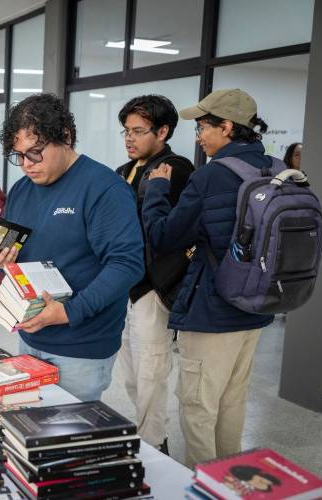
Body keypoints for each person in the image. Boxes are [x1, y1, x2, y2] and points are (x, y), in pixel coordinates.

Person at [142, 88, 274, 468]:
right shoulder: (275, 169)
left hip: (213, 310)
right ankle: (229, 480)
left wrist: (157, 191)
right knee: (232, 400)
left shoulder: (211, 176)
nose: (198, 136)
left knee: (198, 405)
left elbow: (164, 236)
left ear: (228, 126)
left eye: (202, 126)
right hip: (257, 306)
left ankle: (204, 484)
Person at [0, 93, 144, 402]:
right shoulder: (21, 189)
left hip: (81, 344)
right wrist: (5, 260)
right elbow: (20, 250)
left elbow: (127, 264)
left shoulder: (104, 189)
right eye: (18, 155)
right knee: (31, 426)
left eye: (35, 152)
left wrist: (70, 312)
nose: (27, 165)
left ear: (66, 137)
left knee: (68, 435)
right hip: (31, 333)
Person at [114, 95, 194, 454]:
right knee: (131, 372)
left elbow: (163, 229)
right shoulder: (123, 170)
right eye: (126, 131)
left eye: (138, 131)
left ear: (163, 131)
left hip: (154, 285)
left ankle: (154, 443)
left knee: (151, 370)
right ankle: (148, 434)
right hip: (125, 284)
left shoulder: (175, 168)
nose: (129, 138)